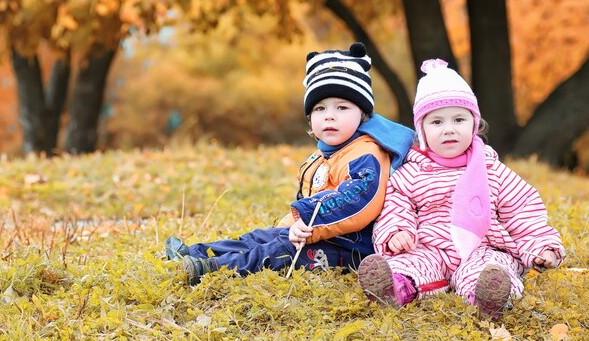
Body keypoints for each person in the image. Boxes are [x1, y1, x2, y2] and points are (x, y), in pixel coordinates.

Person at [165, 42, 415, 285]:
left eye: (342, 107)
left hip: (351, 246)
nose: (329, 115)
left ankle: (213, 270)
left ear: (362, 115)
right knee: (262, 237)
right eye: (319, 108)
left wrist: (308, 223)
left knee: (278, 251)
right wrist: (291, 224)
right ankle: (197, 252)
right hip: (318, 233)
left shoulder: (366, 152)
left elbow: (359, 199)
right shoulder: (323, 155)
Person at [358, 58, 565, 320]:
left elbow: (522, 211)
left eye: (458, 119)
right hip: (430, 246)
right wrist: (397, 231)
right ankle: (394, 287)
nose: (449, 130)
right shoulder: (413, 170)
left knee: (491, 269)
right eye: (436, 122)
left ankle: (488, 298)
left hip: (482, 246)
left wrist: (540, 246)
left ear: (474, 124)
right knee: (410, 263)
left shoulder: (491, 169)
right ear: (421, 130)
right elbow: (395, 204)